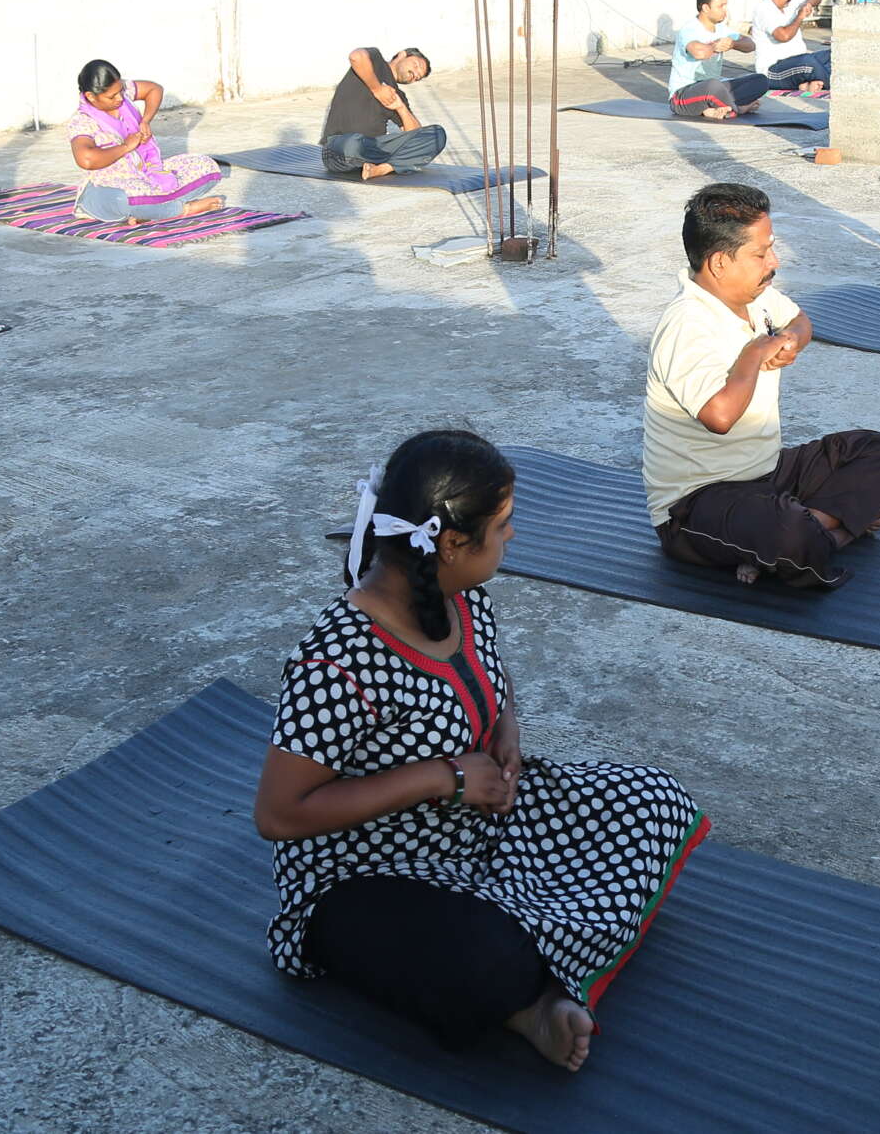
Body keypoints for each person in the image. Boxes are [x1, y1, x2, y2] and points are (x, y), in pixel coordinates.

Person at [253, 430, 706, 1072]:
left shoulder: (460, 598)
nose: (512, 536)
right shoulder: (336, 662)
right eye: (503, 524)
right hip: (368, 876)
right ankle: (528, 1002)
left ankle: (530, 967)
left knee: (654, 802)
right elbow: (278, 814)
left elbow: (490, 674)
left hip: (482, 823)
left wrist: (507, 724)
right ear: (450, 542)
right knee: (481, 963)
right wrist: (442, 778)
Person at [644, 183, 880, 589]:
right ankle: (829, 532)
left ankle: (802, 535)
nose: (773, 261)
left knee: (876, 450)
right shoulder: (686, 325)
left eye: (771, 248)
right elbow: (720, 416)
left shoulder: (756, 296)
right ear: (719, 264)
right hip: (696, 505)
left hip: (767, 472)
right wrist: (752, 355)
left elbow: (800, 320)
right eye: (761, 253)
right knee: (787, 532)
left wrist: (791, 342)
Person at [67, 60, 225, 220]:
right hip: (108, 187)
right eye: (112, 96)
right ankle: (184, 209)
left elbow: (154, 89)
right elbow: (86, 160)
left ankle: (150, 210)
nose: (119, 98)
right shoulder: (83, 121)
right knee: (127, 199)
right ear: (90, 97)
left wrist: (145, 121)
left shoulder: (123, 94)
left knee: (206, 167)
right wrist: (126, 147)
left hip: (146, 172)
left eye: (120, 91)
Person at [322, 46, 446, 180]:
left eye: (418, 77)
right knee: (354, 144)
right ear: (402, 55)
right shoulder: (375, 61)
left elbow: (415, 135)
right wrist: (377, 88)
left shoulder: (398, 96)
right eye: (416, 65)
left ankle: (383, 168)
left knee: (436, 134)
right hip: (340, 146)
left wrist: (400, 108)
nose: (415, 74)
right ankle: (391, 164)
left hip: (373, 149)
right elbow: (356, 57)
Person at [668, 0, 773, 119]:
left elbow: (751, 45)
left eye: (725, 5)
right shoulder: (689, 29)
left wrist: (733, 44)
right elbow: (698, 52)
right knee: (713, 86)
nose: (725, 10)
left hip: (714, 88)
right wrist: (714, 47)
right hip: (683, 95)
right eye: (720, 6)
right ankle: (738, 109)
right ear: (705, 8)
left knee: (761, 81)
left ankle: (714, 108)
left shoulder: (721, 29)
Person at [751, 0, 830, 96]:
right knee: (808, 63)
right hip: (773, 70)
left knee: (834, 55)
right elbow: (784, 36)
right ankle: (837, 84)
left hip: (798, 62)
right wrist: (800, 16)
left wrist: (809, 3)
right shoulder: (763, 9)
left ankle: (811, 82)